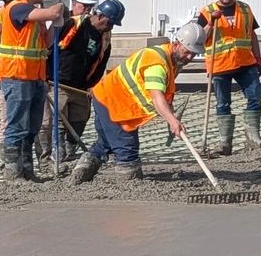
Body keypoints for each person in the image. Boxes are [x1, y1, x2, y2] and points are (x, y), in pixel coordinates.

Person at [70, 26, 200, 183]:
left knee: (107, 142)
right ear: (177, 42)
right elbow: (157, 96)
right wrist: (172, 121)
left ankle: (81, 171)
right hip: (115, 104)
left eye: (193, 53)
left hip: (107, 98)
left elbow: (164, 97)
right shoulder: (157, 64)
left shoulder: (168, 59)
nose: (190, 56)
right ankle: (129, 185)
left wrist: (171, 118)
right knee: (127, 150)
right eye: (187, 51)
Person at [0, 0, 67, 180]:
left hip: (35, 78)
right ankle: (13, 174)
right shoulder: (18, 8)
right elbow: (52, 11)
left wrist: (57, 26)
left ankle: (27, 171)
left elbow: (47, 42)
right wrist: (59, 9)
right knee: (16, 126)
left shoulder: (34, 16)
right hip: (17, 77)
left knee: (31, 128)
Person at [194, 0, 261, 156]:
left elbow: (252, 35)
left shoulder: (245, 9)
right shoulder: (208, 11)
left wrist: (258, 58)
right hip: (220, 64)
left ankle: (253, 137)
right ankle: (225, 142)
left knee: (255, 97)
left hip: (245, 63)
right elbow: (199, 39)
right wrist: (210, 23)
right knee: (223, 104)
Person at [51, 0, 117, 161]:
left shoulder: (105, 38)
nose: (109, 27)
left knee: (80, 118)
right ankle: (56, 154)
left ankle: (70, 149)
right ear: (101, 16)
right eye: (109, 22)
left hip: (81, 86)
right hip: (60, 82)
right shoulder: (73, 24)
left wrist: (93, 84)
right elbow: (52, 48)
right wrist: (46, 75)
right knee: (58, 120)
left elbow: (101, 63)